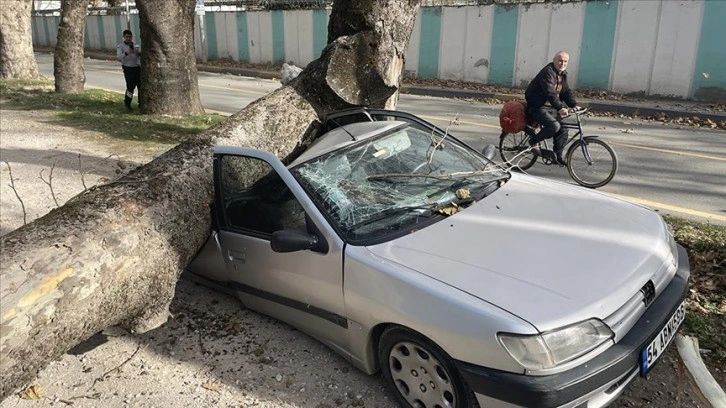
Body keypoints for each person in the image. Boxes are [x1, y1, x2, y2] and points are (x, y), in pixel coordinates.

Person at [524, 51, 577, 165]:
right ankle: (533, 141)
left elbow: (566, 91)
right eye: (560, 60)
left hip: (549, 108)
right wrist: (560, 107)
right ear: (554, 60)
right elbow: (550, 92)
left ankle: (557, 157)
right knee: (554, 126)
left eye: (565, 61)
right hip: (537, 106)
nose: (562, 63)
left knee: (563, 129)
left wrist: (574, 105)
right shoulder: (548, 72)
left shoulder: (562, 74)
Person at [116, 30, 141, 111]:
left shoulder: (135, 45)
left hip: (137, 67)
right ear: (124, 37)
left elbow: (140, 54)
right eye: (126, 37)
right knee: (130, 87)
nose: (128, 38)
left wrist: (137, 52)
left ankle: (141, 103)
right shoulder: (120, 46)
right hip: (128, 68)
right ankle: (128, 103)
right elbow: (119, 57)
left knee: (140, 86)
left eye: (130, 37)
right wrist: (127, 53)